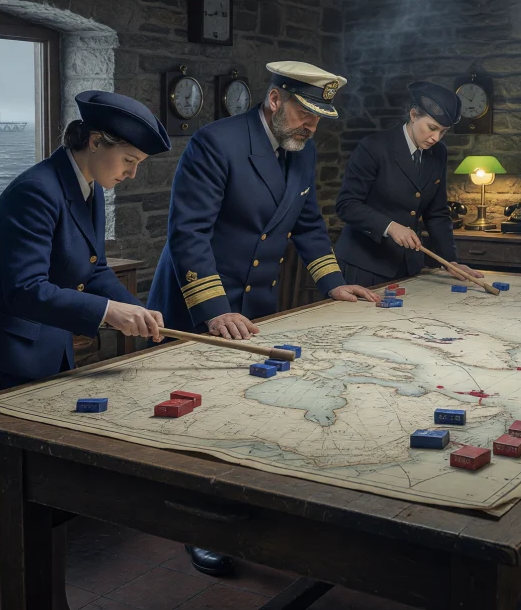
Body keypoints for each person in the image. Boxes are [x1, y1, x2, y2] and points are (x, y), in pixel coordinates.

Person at [0, 91, 171, 610]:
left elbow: (92, 269)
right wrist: (106, 315)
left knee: (42, 499)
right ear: (97, 141)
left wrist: (134, 308)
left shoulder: (90, 187)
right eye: (129, 161)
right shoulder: (33, 191)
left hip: (45, 357)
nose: (132, 175)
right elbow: (23, 290)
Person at [147, 60, 379, 576]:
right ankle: (200, 532)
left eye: (320, 118)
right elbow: (189, 235)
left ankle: (249, 517)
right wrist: (214, 310)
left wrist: (333, 282)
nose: (312, 126)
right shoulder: (216, 142)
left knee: (248, 415)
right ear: (275, 100)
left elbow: (310, 224)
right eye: (305, 114)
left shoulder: (302, 149)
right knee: (198, 426)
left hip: (255, 308)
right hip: (199, 302)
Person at [335, 81, 484, 286]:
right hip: (364, 265)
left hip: (408, 266)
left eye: (443, 131)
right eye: (432, 128)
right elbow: (347, 205)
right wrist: (390, 226)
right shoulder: (374, 147)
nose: (436, 138)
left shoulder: (439, 153)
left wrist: (451, 261)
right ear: (413, 115)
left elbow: (437, 213)